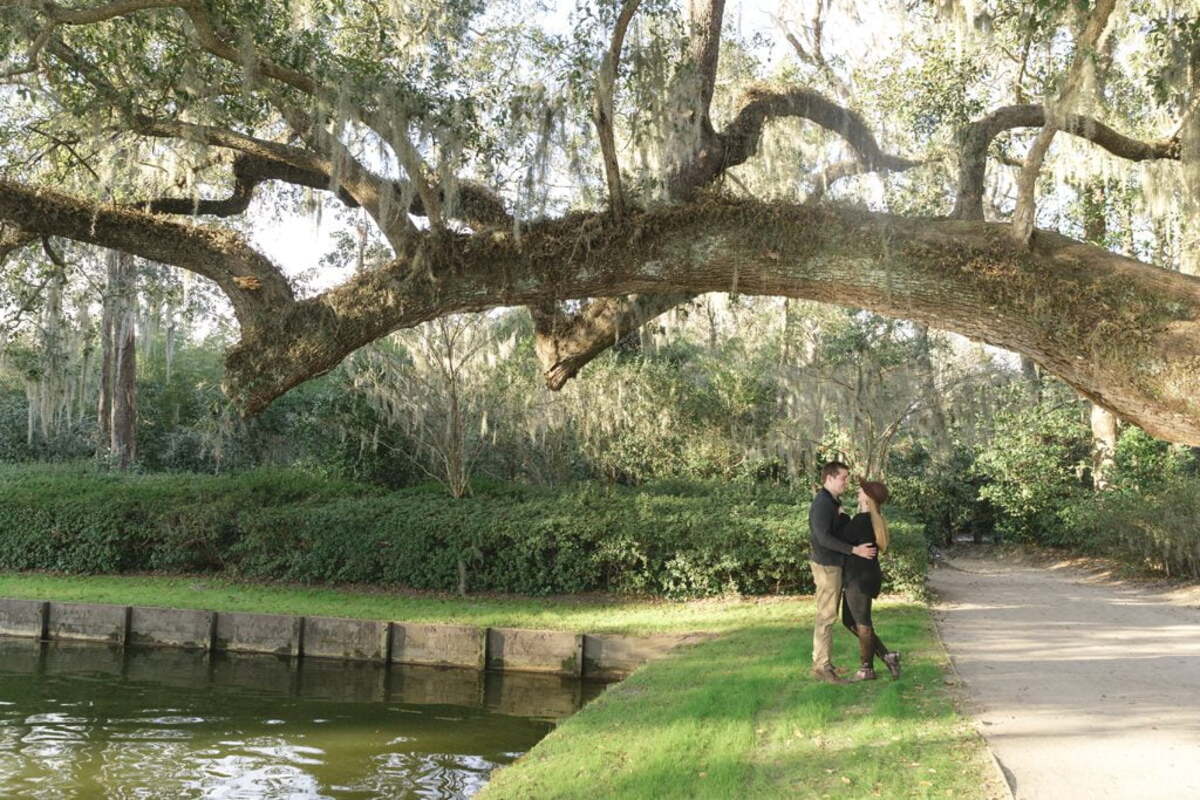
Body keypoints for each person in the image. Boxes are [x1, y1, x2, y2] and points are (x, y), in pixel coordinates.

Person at [808, 461, 877, 684]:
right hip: (827, 566)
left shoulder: (832, 501)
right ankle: (822, 666)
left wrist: (843, 516)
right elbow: (823, 538)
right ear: (829, 478)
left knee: (829, 615)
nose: (846, 483)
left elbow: (837, 531)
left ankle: (823, 662)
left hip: (834, 564)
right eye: (843, 478)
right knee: (826, 616)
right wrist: (854, 549)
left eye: (847, 478)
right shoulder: (822, 503)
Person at [837, 480, 901, 681]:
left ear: (868, 497)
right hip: (866, 576)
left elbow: (841, 538)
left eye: (862, 490)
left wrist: (841, 516)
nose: (858, 491)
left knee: (862, 623)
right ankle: (887, 656)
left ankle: (867, 669)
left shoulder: (862, 519)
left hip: (859, 578)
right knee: (849, 621)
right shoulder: (874, 520)